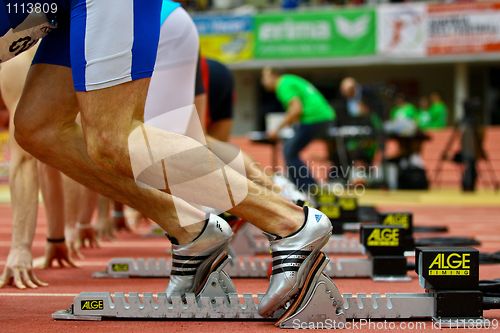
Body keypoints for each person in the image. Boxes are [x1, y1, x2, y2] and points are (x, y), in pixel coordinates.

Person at [1, 0, 333, 318]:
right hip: (86, 12)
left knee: (114, 138)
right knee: (37, 129)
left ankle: (290, 223)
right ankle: (192, 229)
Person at [261, 67, 335, 193]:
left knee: (289, 151)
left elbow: (296, 109)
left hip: (315, 118)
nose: (263, 81)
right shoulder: (289, 80)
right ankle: (303, 185)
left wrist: (277, 130)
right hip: (323, 117)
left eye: (265, 77)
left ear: (274, 75)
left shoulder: (283, 84)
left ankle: (308, 187)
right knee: (290, 148)